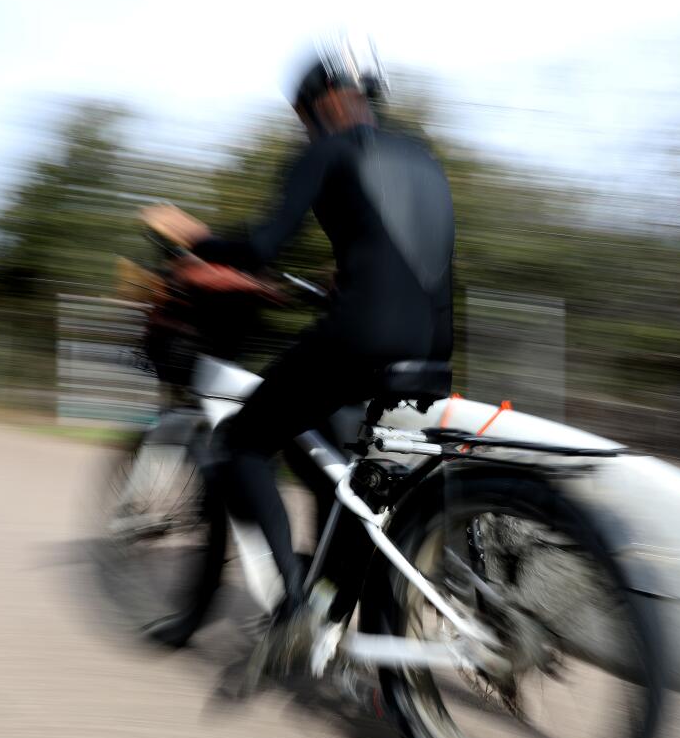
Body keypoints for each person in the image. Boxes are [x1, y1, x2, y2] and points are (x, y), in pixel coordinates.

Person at [140, 34, 455, 680]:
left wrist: (195, 237)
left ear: (325, 103)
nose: (306, 126)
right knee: (347, 473)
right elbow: (404, 252)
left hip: (366, 335)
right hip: (433, 348)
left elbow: (259, 245)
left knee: (241, 442)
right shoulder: (421, 157)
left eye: (305, 113)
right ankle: (333, 605)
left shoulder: (329, 149)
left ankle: (294, 612)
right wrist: (342, 275)